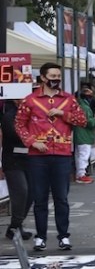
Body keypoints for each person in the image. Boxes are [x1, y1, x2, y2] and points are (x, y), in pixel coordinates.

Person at [15, 62, 86, 251]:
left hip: (62, 155)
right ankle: (40, 237)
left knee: (61, 198)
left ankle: (64, 236)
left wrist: (63, 113)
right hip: (38, 157)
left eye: (58, 76)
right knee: (40, 199)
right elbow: (19, 124)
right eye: (52, 76)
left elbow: (82, 120)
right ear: (43, 78)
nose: (56, 79)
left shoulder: (69, 100)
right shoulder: (30, 100)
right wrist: (32, 142)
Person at [0, 98, 33, 241]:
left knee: (31, 193)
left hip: (29, 159)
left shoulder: (33, 115)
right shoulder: (9, 116)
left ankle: (16, 225)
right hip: (13, 160)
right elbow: (15, 135)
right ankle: (14, 226)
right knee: (21, 191)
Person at [72, 85, 95, 184]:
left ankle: (80, 174)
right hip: (84, 134)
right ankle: (81, 174)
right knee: (83, 155)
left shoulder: (80, 106)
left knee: (79, 155)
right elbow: (88, 122)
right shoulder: (85, 107)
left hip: (80, 134)